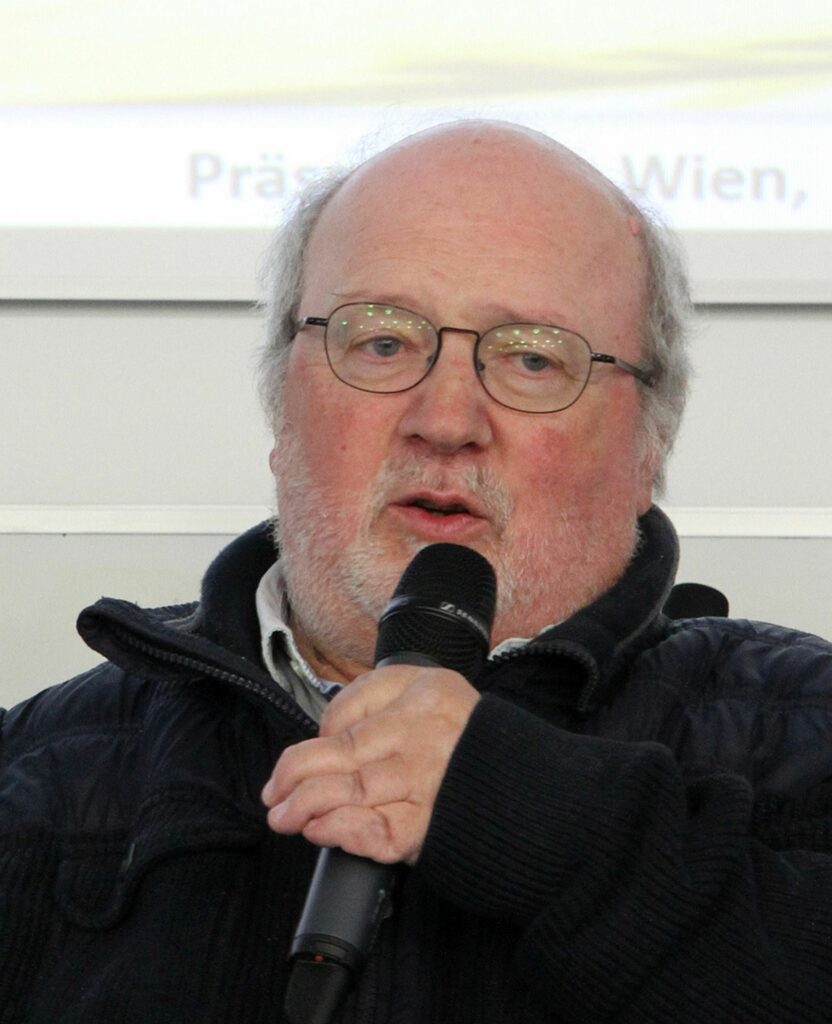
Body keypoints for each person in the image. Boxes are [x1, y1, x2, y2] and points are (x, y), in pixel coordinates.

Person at [1, 121, 831, 1024]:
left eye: (532, 357)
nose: (445, 420)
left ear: (651, 444)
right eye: (383, 343)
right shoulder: (36, 767)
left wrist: (561, 830)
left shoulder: (806, 733)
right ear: (281, 405)